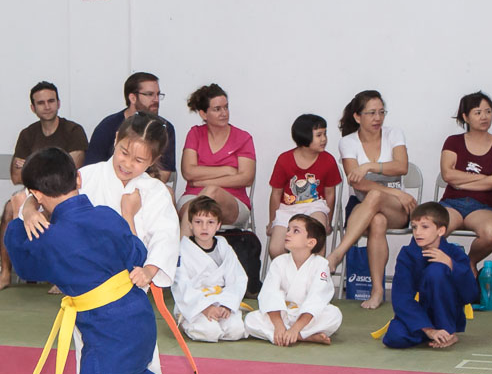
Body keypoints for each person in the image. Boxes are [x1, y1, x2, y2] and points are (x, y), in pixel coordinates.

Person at [4, 147, 217, 374]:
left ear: (36, 193)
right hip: (138, 320)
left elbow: (23, 263)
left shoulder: (48, 237)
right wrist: (128, 216)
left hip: (109, 334)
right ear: (78, 179)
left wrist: (23, 214)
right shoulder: (106, 215)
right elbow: (136, 251)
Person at [24, 112, 182, 374]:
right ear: (115, 141)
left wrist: (150, 270)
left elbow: (167, 236)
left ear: (154, 161)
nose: (127, 163)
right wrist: (28, 209)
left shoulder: (155, 192)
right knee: (91, 365)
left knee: (146, 361)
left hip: (132, 292)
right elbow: (42, 186)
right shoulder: (86, 176)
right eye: (124, 152)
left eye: (139, 160)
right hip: (91, 298)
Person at [0, 81, 89, 292]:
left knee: (58, 210)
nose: (47, 106)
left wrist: (31, 165)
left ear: (59, 103)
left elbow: (70, 169)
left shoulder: (73, 131)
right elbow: (16, 176)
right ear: (33, 108)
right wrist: (46, 169)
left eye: (51, 101)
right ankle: (5, 274)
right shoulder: (28, 134)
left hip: (65, 191)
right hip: (35, 190)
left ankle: (60, 276)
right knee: (9, 209)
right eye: (41, 103)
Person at [327, 90, 414, 309]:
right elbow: (357, 183)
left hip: (397, 208)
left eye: (381, 112)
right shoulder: (348, 142)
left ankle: (337, 253)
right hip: (363, 205)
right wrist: (395, 191)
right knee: (377, 220)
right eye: (371, 113)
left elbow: (402, 166)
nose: (378, 118)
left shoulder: (394, 134)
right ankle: (377, 291)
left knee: (376, 197)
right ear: (358, 117)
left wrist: (369, 166)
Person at [381, 202, 478, 349]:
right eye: (414, 227)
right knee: (395, 337)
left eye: (425, 227)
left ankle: (447, 332)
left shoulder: (454, 253)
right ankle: (433, 334)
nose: (418, 232)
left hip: (446, 311)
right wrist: (429, 330)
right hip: (418, 314)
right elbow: (401, 297)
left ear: (441, 230)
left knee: (437, 271)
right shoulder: (407, 255)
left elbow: (470, 294)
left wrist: (451, 265)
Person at [439, 91, 492, 273]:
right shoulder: (453, 142)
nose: (484, 117)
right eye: (478, 112)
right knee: (433, 229)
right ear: (465, 117)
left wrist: (461, 181)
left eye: (488, 111)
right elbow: (448, 174)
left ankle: (469, 262)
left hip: (484, 207)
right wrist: (485, 177)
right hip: (452, 203)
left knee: (491, 233)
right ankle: (441, 266)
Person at [245, 215, 341, 345]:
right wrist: (279, 325)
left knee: (334, 314)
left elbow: (317, 298)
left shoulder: (321, 264)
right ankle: (302, 336)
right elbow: (270, 293)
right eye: (288, 229)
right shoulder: (279, 262)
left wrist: (296, 328)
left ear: (311, 242)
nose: (288, 233)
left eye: (295, 231)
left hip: (306, 317)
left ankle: (292, 334)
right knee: (250, 319)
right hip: (283, 313)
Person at [177, 84, 256, 235]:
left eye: (226, 107)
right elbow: (188, 171)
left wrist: (202, 182)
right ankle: (188, 248)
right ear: (203, 114)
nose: (224, 113)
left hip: (233, 202)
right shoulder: (195, 134)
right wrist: (227, 170)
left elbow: (246, 178)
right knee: (194, 208)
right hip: (192, 197)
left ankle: (183, 248)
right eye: (217, 109)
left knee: (211, 192)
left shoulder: (243, 138)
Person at [171, 196, 248, 342]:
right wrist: (205, 307)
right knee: (210, 332)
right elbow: (181, 285)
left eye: (210, 222)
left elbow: (237, 278)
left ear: (218, 225)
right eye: (198, 222)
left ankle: (220, 315)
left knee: (236, 330)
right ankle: (186, 322)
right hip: (195, 303)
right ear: (190, 224)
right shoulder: (183, 250)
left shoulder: (224, 247)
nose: (204, 227)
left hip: (221, 300)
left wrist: (226, 305)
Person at [267, 114, 341, 259]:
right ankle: (288, 273)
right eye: (319, 135)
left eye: (325, 134)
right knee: (275, 249)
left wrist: (328, 220)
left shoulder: (328, 160)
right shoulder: (284, 160)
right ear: (304, 136)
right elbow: (276, 193)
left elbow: (330, 194)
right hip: (288, 209)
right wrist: (272, 221)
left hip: (315, 206)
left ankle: (314, 272)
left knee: (316, 242)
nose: (324, 139)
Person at [84, 71, 177, 183]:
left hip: (146, 187)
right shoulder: (107, 126)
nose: (156, 99)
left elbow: (163, 173)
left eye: (158, 94)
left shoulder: (165, 128)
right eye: (149, 94)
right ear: (132, 98)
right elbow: (92, 167)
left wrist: (136, 188)